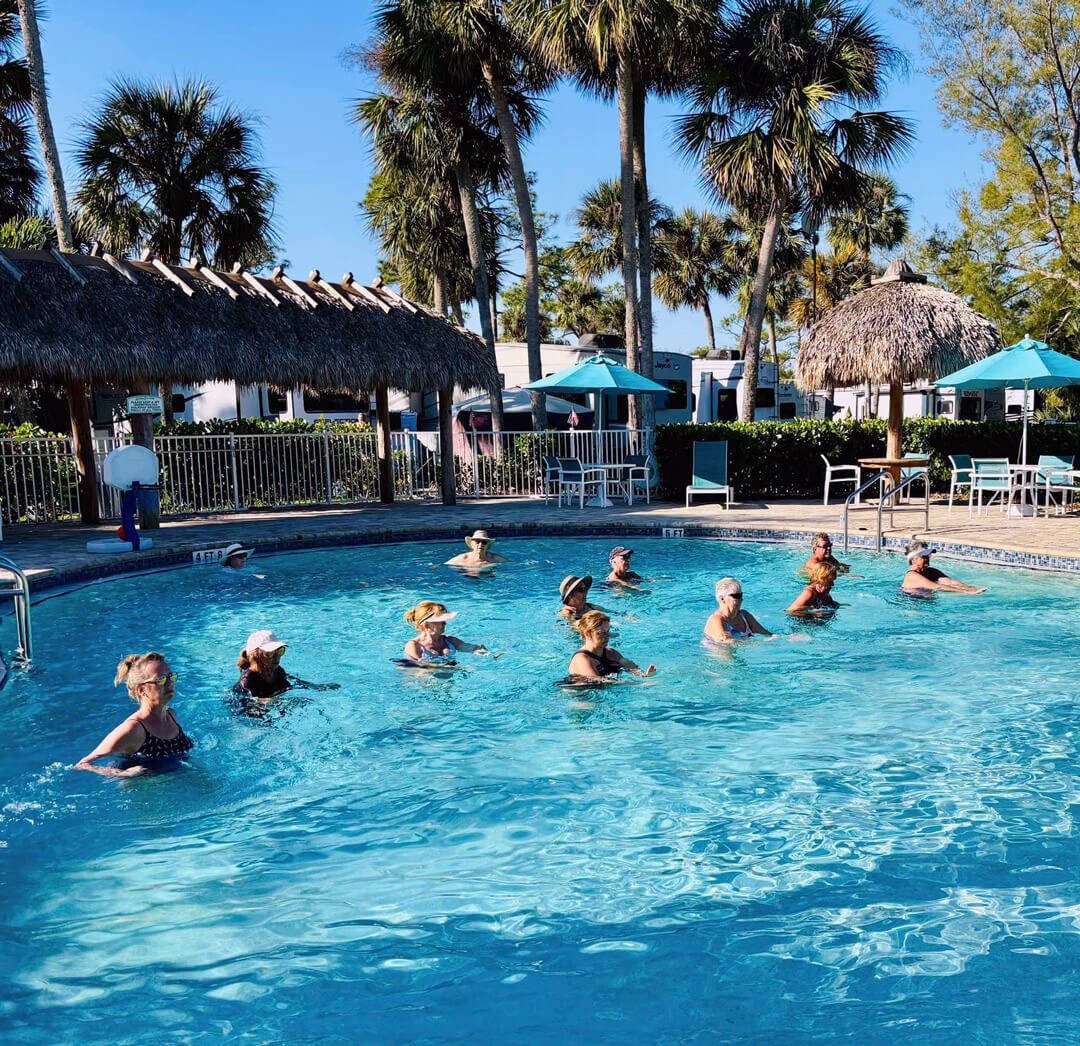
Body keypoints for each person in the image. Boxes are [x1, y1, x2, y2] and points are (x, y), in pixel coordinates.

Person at [75, 652, 192, 777]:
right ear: (141, 690)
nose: (169, 683)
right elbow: (83, 764)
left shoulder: (171, 715)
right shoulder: (134, 729)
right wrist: (124, 774)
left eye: (171, 677)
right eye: (161, 680)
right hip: (143, 789)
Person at [232, 630, 340, 716]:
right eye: (270, 653)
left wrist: (316, 687)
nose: (277, 657)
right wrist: (270, 702)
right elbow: (245, 708)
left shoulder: (278, 671)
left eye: (280, 651)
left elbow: (293, 682)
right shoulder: (247, 680)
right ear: (256, 656)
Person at [568, 610, 655, 679]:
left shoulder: (611, 653)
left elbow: (631, 667)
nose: (607, 636)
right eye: (601, 633)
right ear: (587, 634)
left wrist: (644, 676)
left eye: (607, 632)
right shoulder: (581, 659)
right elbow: (598, 681)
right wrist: (636, 685)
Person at [403, 601, 491, 667]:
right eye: (440, 621)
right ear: (426, 624)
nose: (445, 623)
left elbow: (471, 648)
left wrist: (486, 653)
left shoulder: (450, 641)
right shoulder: (414, 646)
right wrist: (451, 668)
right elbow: (418, 668)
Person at [902, 541, 987, 594]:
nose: (928, 558)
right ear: (913, 560)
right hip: (912, 605)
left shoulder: (931, 571)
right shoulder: (912, 576)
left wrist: (969, 587)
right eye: (924, 556)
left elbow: (950, 582)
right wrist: (966, 592)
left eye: (928, 555)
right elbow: (938, 587)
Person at [705, 578, 772, 642]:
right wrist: (760, 642)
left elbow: (767, 634)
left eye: (741, 595)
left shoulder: (745, 616)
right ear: (722, 599)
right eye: (736, 596)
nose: (741, 599)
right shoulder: (716, 620)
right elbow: (727, 642)